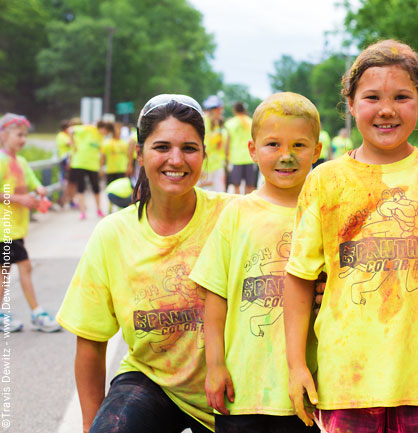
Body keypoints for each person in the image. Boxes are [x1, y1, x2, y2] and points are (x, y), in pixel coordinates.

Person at [282, 39, 418, 431]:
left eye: (401, 96)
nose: (386, 110)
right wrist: (296, 366)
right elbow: (298, 278)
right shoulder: (325, 180)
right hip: (346, 378)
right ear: (350, 103)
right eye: (372, 97)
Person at [57, 95, 235, 433]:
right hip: (150, 380)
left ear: (204, 154)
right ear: (140, 154)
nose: (176, 160)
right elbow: (92, 343)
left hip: (228, 382)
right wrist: (90, 426)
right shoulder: (112, 234)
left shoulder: (234, 217)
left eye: (189, 148)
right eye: (162, 147)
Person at [192, 92, 322, 433]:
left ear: (317, 151)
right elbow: (215, 297)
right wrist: (215, 366)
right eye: (273, 145)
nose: (286, 156)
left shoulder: (323, 213)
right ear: (252, 150)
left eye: (298, 146)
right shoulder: (237, 213)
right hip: (244, 388)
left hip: (309, 390)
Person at [0, 113, 61, 333]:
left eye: (25, 135)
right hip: (4, 229)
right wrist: (20, 199)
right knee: (23, 267)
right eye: (19, 135)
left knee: (5, 271)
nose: (23, 139)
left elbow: (34, 183)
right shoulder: (1, 160)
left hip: (16, 228)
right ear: (3, 135)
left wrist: (39, 191)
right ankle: (36, 312)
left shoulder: (21, 161)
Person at [69, 120, 106, 219]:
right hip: (80, 163)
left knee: (96, 188)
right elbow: (71, 130)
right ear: (101, 128)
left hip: (93, 165)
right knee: (81, 188)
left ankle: (98, 209)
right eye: (105, 131)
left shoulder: (101, 137)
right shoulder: (89, 129)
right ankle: (82, 212)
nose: (105, 133)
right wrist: (74, 145)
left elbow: (101, 152)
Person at [98, 121, 130, 214]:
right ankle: (110, 208)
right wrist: (100, 169)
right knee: (110, 190)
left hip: (122, 169)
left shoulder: (125, 143)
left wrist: (129, 167)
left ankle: (121, 209)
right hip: (111, 170)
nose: (118, 133)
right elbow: (102, 158)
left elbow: (129, 157)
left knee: (123, 190)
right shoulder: (107, 143)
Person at [225, 101, 257, 194]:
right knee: (250, 186)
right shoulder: (251, 122)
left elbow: (227, 141)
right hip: (250, 157)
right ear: (244, 110)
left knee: (236, 185)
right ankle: (248, 206)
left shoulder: (230, 123)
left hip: (236, 158)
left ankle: (238, 207)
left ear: (234, 110)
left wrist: (226, 155)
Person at [201, 95, 229, 192]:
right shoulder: (203, 122)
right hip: (205, 166)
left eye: (220, 109)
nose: (220, 111)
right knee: (205, 194)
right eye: (218, 109)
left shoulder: (218, 124)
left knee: (219, 194)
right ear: (212, 109)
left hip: (218, 165)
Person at [56, 118, 79, 208]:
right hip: (65, 161)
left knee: (71, 182)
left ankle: (68, 200)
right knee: (68, 182)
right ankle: (63, 200)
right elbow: (72, 144)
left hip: (71, 160)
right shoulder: (61, 136)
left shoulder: (66, 135)